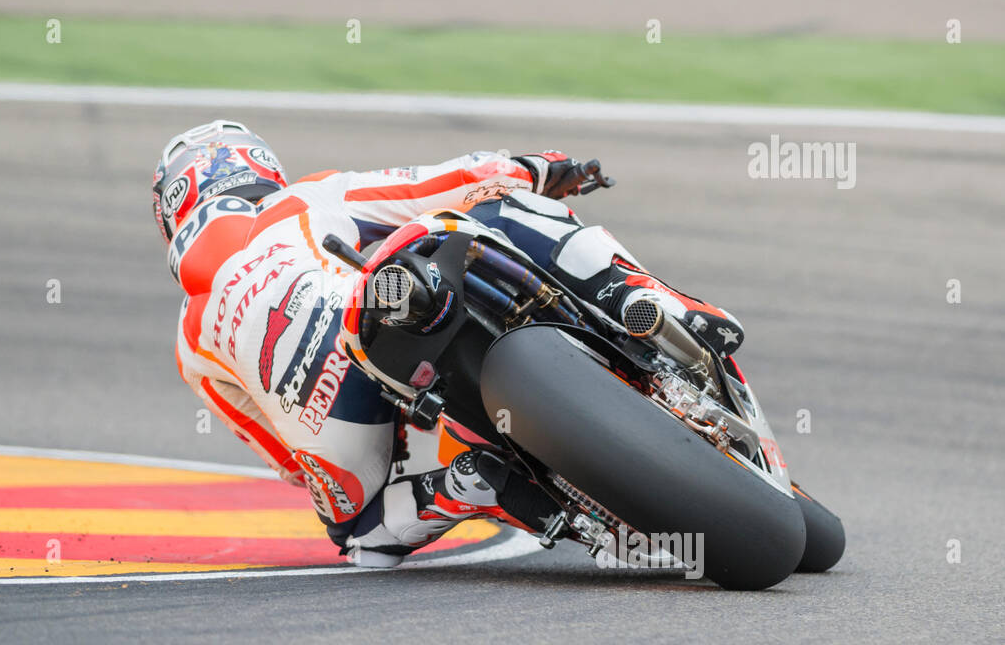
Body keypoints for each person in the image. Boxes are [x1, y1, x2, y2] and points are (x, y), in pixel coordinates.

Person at [155, 120, 744, 566]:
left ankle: (464, 486)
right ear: (258, 168)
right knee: (492, 207)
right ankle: (650, 303)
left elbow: (283, 458)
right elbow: (451, 179)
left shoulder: (189, 342)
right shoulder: (299, 199)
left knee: (355, 533)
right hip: (372, 313)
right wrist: (544, 169)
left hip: (345, 437)